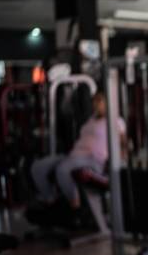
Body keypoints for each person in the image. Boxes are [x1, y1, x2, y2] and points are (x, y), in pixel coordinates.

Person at [29, 92, 125, 225]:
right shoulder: (91, 120)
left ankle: (75, 207)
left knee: (62, 169)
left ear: (108, 103)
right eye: (95, 102)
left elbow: (123, 144)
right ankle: (50, 200)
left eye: (100, 101)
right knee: (38, 166)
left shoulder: (116, 120)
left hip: (94, 159)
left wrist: (118, 163)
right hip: (74, 155)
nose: (96, 105)